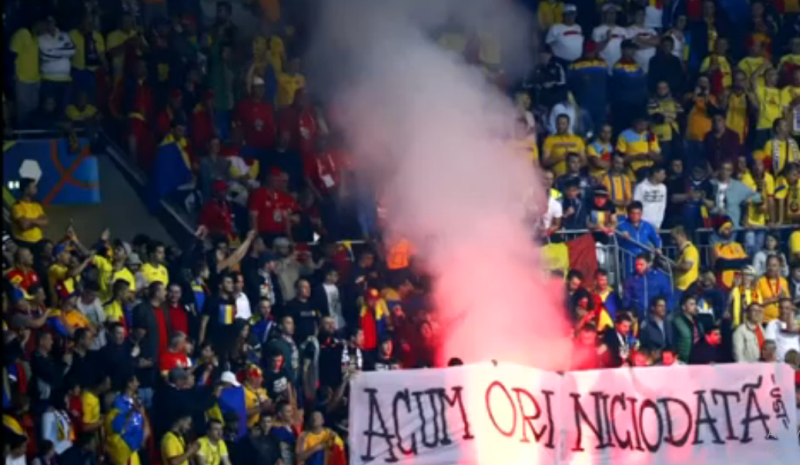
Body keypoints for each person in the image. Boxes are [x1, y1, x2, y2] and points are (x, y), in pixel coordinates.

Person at [11, 178, 48, 248]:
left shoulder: (37, 206)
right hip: (23, 242)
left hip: (38, 242)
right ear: (26, 189)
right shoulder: (17, 206)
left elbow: (45, 222)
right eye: (33, 186)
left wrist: (29, 221)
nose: (36, 188)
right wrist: (37, 221)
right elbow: (24, 225)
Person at [757, 255, 791, 323]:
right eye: (769, 265)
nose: (771, 268)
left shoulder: (783, 282)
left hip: (781, 321)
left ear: (779, 267)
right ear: (766, 266)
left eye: (774, 265)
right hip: (764, 321)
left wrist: (784, 297)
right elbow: (756, 304)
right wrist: (773, 300)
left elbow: (788, 302)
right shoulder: (760, 282)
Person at [633, 165, 667, 229]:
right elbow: (636, 206)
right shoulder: (641, 187)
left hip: (656, 224)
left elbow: (662, 207)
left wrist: (658, 224)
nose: (665, 176)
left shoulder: (663, 188)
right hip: (642, 223)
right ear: (655, 173)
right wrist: (637, 222)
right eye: (663, 173)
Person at [672, 294, 704, 363]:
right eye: (691, 304)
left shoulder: (698, 322)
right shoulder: (677, 322)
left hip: (699, 359)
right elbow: (672, 341)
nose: (695, 307)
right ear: (684, 307)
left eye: (695, 304)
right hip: (684, 361)